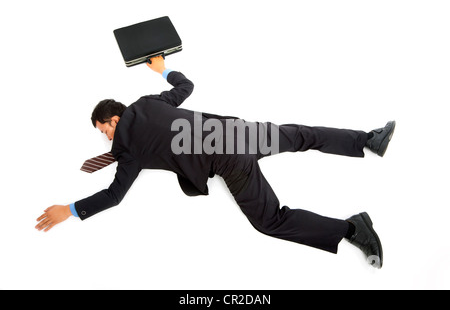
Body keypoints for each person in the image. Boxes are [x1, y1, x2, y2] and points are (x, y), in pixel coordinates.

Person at [35, 56, 395, 268]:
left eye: (104, 131)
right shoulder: (147, 103)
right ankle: (369, 139)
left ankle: (352, 229)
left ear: (114, 120)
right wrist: (162, 68)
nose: (107, 138)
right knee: (301, 135)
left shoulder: (128, 148)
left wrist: (70, 210)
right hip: (237, 132)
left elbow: (114, 196)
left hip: (229, 159)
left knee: (270, 221)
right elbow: (186, 86)